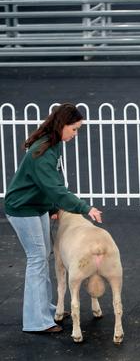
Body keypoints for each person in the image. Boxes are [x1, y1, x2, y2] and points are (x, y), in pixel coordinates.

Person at [4, 103, 103, 333]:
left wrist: (51, 208)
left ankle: (46, 309)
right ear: (63, 125)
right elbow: (56, 189)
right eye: (74, 129)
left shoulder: (54, 144)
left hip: (36, 206)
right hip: (22, 209)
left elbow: (50, 184)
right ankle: (35, 321)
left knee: (43, 255)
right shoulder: (43, 151)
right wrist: (84, 208)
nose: (75, 134)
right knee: (37, 259)